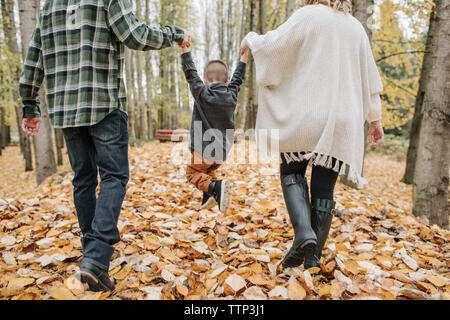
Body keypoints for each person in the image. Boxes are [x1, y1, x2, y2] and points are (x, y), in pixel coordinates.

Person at [19, 0, 190, 291]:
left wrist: (29, 102)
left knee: (83, 179)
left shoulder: (49, 6)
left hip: (65, 108)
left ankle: (91, 252)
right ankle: (96, 259)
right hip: (104, 104)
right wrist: (174, 33)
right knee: (113, 176)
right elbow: (135, 35)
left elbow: (34, 56)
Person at [240, 0, 385, 271]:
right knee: (324, 188)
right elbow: (370, 81)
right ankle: (312, 259)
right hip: (345, 119)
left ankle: (303, 233)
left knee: (291, 172)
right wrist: (374, 120)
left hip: (309, 114)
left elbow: (273, 47)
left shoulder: (307, 16)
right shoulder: (355, 28)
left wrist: (251, 40)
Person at [180, 42, 248, 213]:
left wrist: (185, 49)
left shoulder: (202, 93)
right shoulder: (231, 95)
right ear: (227, 81)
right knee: (209, 172)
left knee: (193, 173)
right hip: (222, 152)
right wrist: (244, 56)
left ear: (204, 81)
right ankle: (210, 197)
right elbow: (238, 79)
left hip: (203, 149)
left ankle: (215, 188)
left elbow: (190, 73)